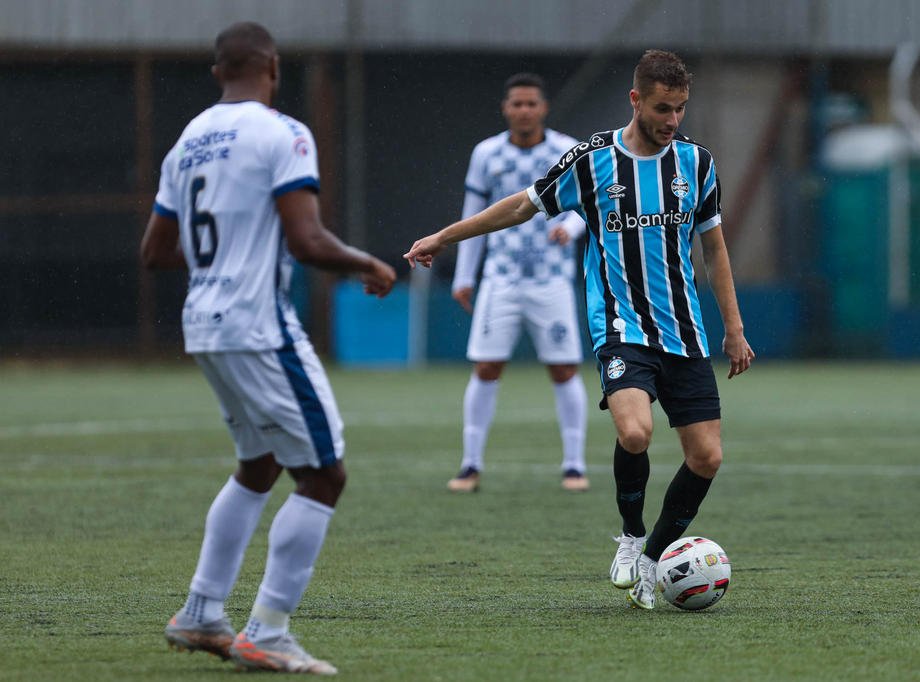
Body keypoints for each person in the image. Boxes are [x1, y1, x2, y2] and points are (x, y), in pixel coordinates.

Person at [404, 50, 754, 610]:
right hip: (621, 325)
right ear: (636, 100)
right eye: (663, 108)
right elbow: (519, 208)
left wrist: (734, 330)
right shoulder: (591, 161)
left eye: (682, 109)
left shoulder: (698, 164)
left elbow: (714, 248)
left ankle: (650, 561)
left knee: (706, 457)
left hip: (685, 333)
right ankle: (631, 535)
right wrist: (444, 238)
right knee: (635, 433)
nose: (672, 121)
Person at [141, 22, 396, 673]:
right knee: (324, 473)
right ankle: (268, 630)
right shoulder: (284, 132)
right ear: (272, 68)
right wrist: (366, 261)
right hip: (257, 326)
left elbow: (156, 252)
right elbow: (308, 241)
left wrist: (223, 257)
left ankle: (201, 613)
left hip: (205, 325)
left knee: (258, 465)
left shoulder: (188, 142)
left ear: (218, 70)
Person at [447, 73, 590, 494]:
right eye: (517, 104)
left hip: (552, 280)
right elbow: (473, 213)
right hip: (501, 279)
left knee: (564, 369)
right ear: (506, 109)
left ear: (543, 108)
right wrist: (463, 275)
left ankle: (574, 465)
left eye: (531, 103)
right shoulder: (486, 154)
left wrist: (572, 228)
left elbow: (589, 203)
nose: (524, 110)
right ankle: (470, 464)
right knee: (487, 366)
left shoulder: (565, 150)